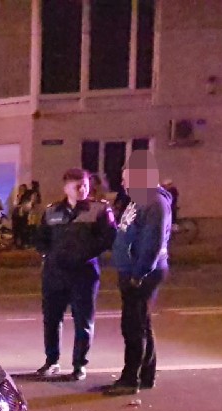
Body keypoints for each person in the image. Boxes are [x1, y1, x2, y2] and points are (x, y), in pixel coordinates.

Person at [34, 168, 116, 382]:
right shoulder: (52, 212)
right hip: (55, 274)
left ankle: (79, 364)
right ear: (66, 188)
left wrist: (83, 255)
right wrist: (49, 255)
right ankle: (51, 361)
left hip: (84, 274)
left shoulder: (99, 210)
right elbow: (40, 239)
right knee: (52, 320)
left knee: (83, 321)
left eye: (85, 186)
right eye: (77, 186)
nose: (82, 190)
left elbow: (108, 239)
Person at [105, 150, 172, 395]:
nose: (123, 183)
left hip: (141, 273)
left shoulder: (154, 202)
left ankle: (129, 379)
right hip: (133, 270)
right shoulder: (140, 199)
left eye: (127, 178)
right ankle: (145, 375)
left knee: (133, 327)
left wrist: (138, 273)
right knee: (141, 323)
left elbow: (152, 243)